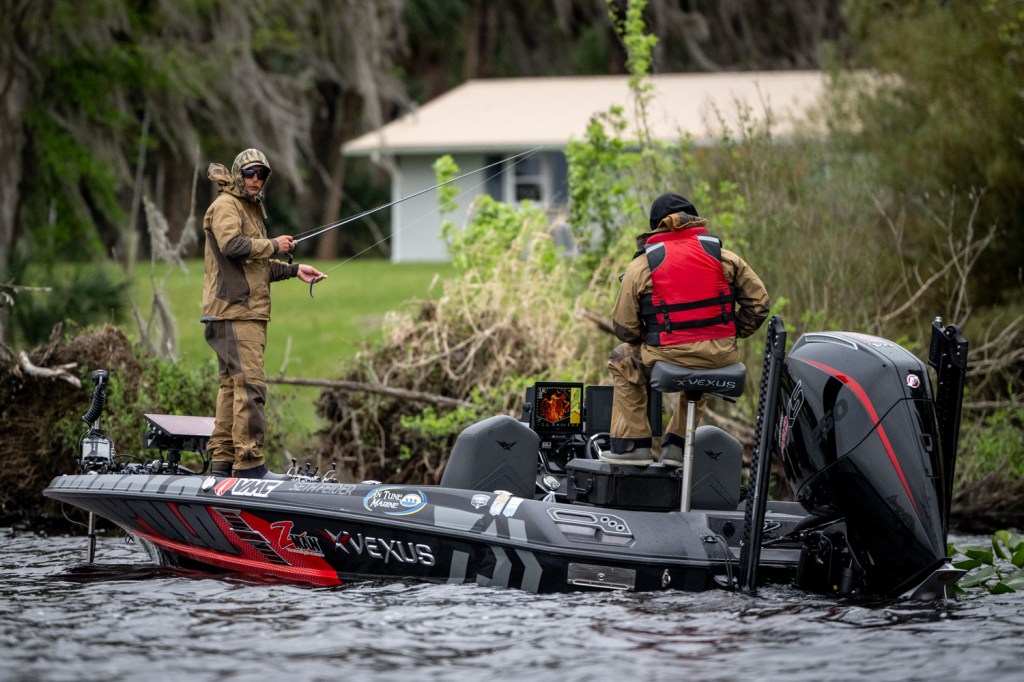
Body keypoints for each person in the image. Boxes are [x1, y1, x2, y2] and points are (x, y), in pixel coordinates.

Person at [602, 192, 769, 466]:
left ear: (655, 226)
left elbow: (624, 328)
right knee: (703, 364)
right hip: (720, 356)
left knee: (622, 359)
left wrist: (650, 337)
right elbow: (759, 305)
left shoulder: (642, 265)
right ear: (694, 219)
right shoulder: (724, 257)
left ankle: (633, 446)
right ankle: (677, 446)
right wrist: (730, 331)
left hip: (666, 355)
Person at [201, 148, 326, 479]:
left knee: (232, 387)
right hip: (235, 312)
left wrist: (295, 270)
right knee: (250, 387)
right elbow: (231, 245)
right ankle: (249, 465)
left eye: (262, 174)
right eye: (250, 173)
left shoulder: (249, 209)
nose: (256, 179)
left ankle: (223, 463)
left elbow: (255, 266)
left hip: (239, 313)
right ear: (238, 174)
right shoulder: (226, 205)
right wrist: (273, 244)